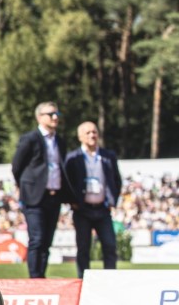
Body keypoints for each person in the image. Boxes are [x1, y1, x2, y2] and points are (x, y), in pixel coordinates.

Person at [11, 102, 72, 278]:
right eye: (50, 114)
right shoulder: (30, 139)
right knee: (36, 239)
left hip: (54, 197)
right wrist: (25, 187)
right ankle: (34, 278)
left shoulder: (59, 141)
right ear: (39, 117)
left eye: (57, 114)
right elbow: (17, 166)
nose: (55, 117)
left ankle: (41, 277)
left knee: (46, 241)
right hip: (34, 197)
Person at [65, 121, 123, 278]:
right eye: (88, 132)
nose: (92, 135)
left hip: (102, 209)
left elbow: (116, 180)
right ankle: (82, 281)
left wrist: (112, 201)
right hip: (82, 210)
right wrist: (73, 202)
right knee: (83, 248)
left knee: (110, 245)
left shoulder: (108, 156)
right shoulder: (73, 158)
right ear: (80, 136)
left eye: (94, 132)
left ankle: (110, 280)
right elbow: (67, 182)